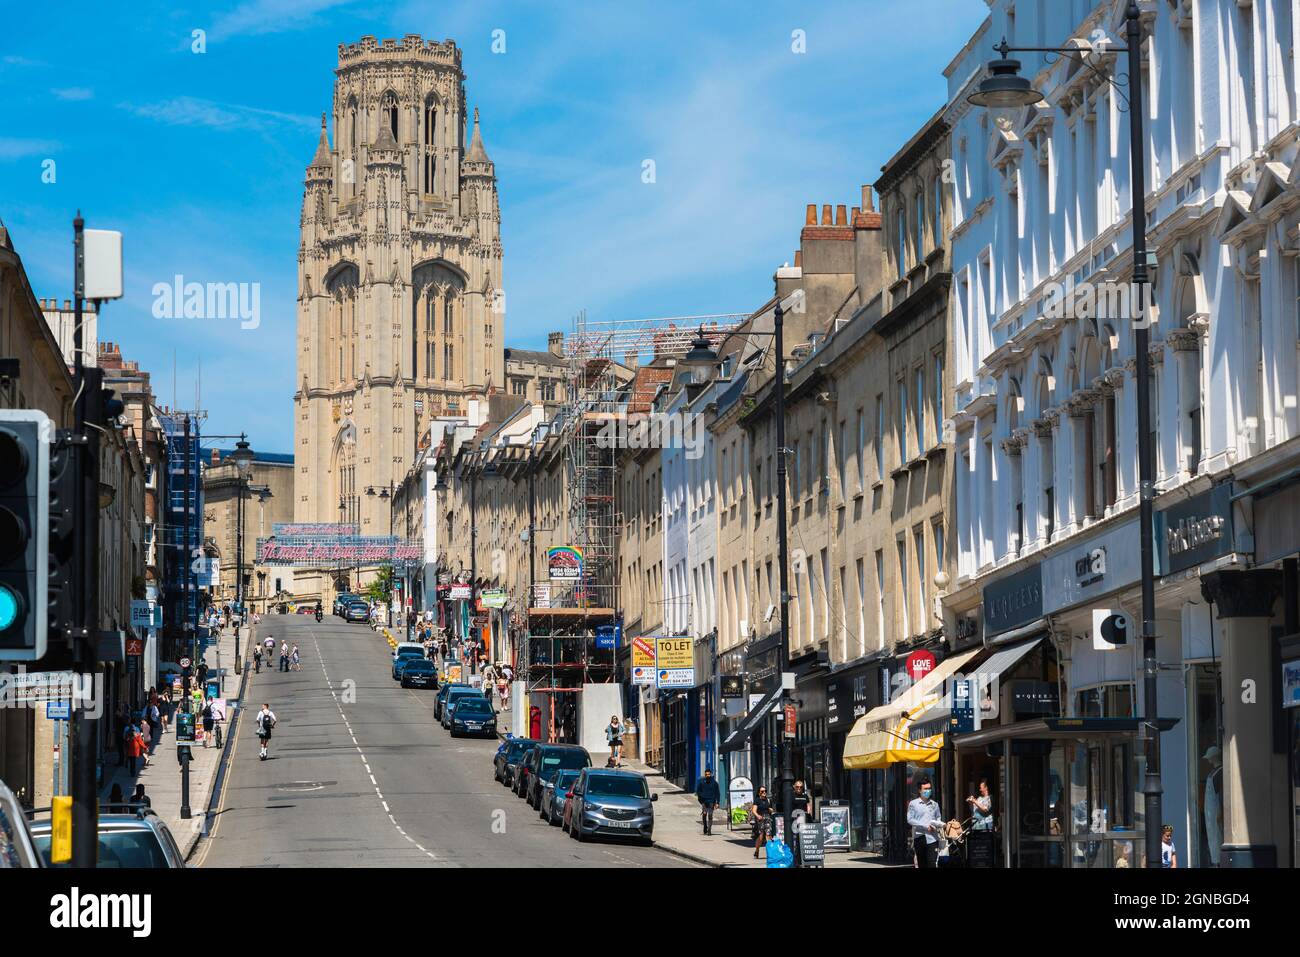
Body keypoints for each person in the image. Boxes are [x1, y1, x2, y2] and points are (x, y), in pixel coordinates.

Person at [907, 776, 944, 868]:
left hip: (933, 838)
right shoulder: (913, 804)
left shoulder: (935, 804)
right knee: (922, 864)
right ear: (920, 790)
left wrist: (936, 826)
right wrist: (925, 826)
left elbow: (938, 818)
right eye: (926, 789)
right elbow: (910, 819)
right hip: (919, 837)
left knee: (932, 863)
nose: (928, 791)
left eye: (929, 788)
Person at [1203, 745, 1223, 866]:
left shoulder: (1220, 772)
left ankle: (1219, 862)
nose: (1208, 760)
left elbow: (1221, 794)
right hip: (1210, 811)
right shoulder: (1214, 772)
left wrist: (1220, 811)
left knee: (1217, 837)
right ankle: (1215, 861)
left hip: (1215, 811)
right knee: (1212, 837)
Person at [696, 768, 721, 835]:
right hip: (704, 801)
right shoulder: (702, 782)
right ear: (705, 775)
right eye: (706, 774)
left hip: (711, 801)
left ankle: (709, 830)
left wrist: (717, 802)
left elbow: (717, 793)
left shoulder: (715, 783)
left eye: (709, 774)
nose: (707, 775)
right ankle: (705, 826)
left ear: (711, 774)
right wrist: (701, 798)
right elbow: (698, 791)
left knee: (710, 815)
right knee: (704, 814)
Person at [752, 785, 772, 858]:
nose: (764, 792)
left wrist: (770, 810)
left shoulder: (768, 800)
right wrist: (757, 816)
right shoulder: (757, 800)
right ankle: (757, 850)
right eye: (762, 791)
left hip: (767, 818)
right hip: (760, 819)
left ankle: (769, 853)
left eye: (765, 791)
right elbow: (754, 810)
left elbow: (769, 808)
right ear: (759, 792)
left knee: (768, 835)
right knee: (760, 837)